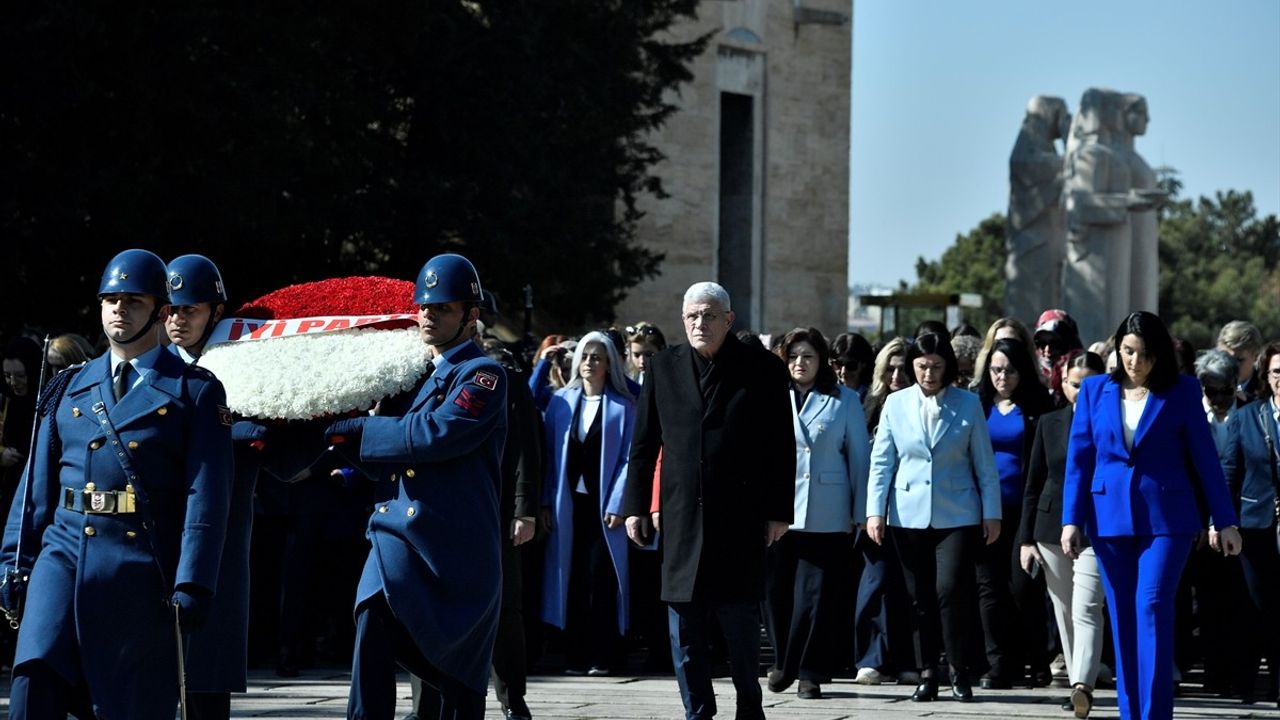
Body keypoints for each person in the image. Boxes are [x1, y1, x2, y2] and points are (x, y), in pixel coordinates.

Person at [1, 248, 233, 719]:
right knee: (32, 682)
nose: (119, 310)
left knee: (128, 705)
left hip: (140, 568)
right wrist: (13, 560)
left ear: (161, 311)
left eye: (134, 301)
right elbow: (35, 489)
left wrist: (194, 582)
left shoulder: (194, 391)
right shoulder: (67, 385)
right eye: (111, 300)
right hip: (62, 558)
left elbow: (205, 496)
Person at [324, 253, 507, 720]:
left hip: (452, 547)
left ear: (471, 315)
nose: (428, 315)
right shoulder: (409, 375)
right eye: (424, 306)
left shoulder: (484, 374)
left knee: (455, 683)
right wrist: (337, 440)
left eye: (443, 308)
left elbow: (437, 433)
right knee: (371, 620)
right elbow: (381, 454)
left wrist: (357, 431)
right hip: (395, 535)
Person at [621, 281, 795, 720]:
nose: (700, 323)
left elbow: (780, 446)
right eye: (693, 316)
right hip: (681, 516)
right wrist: (636, 506)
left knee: (740, 626)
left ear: (729, 319)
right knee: (685, 630)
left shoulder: (763, 368)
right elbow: (643, 444)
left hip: (741, 515)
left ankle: (749, 708)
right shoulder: (663, 367)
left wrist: (779, 511)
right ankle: (697, 711)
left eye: (710, 315)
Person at [1062, 311, 1243, 720]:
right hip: (1108, 519)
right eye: (1128, 351)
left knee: (1152, 606)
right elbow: (1079, 458)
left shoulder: (1182, 391)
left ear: (1159, 355)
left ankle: (1155, 714)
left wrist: (1224, 519)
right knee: (1123, 617)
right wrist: (1071, 519)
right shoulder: (1094, 390)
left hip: (1167, 521)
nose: (1135, 361)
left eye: (1144, 353)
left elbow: (1205, 459)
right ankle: (1131, 714)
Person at [865, 332, 1001, 703]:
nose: (929, 374)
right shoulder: (895, 403)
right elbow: (882, 462)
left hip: (957, 513)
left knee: (949, 590)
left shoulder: (967, 403)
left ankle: (958, 669)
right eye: (923, 366)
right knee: (918, 597)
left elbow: (984, 464)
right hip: (906, 513)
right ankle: (927, 672)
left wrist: (992, 512)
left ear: (948, 367)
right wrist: (875, 511)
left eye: (937, 367)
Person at [164, 253, 266, 720]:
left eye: (190, 309)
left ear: (216, 312)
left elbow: (282, 454)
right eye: (170, 309)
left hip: (217, 535)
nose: (177, 319)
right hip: (157, 533)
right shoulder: (147, 367)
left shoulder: (247, 369)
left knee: (205, 681)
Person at [763, 327, 870, 700]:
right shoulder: (770, 395)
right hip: (779, 510)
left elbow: (859, 459)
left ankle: (808, 671)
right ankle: (783, 660)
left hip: (827, 509)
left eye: (808, 356)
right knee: (775, 593)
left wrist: (861, 511)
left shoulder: (844, 400)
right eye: (793, 356)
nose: (800, 363)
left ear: (822, 360)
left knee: (815, 597)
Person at [540, 330, 635, 676]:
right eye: (585, 356)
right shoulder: (561, 403)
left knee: (601, 578)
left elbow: (629, 459)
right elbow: (548, 458)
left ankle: (604, 654)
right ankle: (575, 653)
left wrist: (619, 502)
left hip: (605, 508)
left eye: (597, 357)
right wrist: (545, 502)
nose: (589, 363)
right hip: (568, 506)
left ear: (610, 363)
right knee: (572, 577)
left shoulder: (624, 407)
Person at [1019, 350, 1108, 718]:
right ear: (1063, 385)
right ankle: (1076, 683)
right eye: (1074, 384)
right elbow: (1033, 483)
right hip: (1050, 526)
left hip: (1098, 526)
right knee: (1065, 609)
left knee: (1087, 606)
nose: (1081, 391)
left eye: (1089, 384)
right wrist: (1025, 540)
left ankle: (1082, 684)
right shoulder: (1049, 422)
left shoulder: (1114, 422)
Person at [974, 338, 1054, 689]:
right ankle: (998, 664)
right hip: (985, 511)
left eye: (1009, 371)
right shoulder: (977, 404)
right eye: (995, 370)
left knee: (1024, 587)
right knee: (989, 589)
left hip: (1024, 510)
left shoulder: (1037, 406)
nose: (1002, 377)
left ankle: (1037, 659)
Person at [1223, 340, 1280, 708]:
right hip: (1255, 524)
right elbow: (1230, 470)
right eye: (1276, 372)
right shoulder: (1247, 417)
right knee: (1258, 604)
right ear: (1266, 375)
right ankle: (1254, 680)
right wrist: (1220, 521)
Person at [862, 337, 913, 435]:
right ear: (882, 370)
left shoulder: (922, 403)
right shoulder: (871, 401)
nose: (896, 376)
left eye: (902, 369)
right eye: (890, 369)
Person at [1217, 320, 1264, 403]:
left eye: (1239, 360)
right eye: (1225, 359)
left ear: (1256, 356)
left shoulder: (1268, 391)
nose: (1231, 366)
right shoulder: (1206, 384)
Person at [830, 332, 874, 399]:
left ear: (863, 364)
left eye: (851, 365)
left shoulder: (875, 397)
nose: (843, 371)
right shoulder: (825, 395)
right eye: (838, 364)